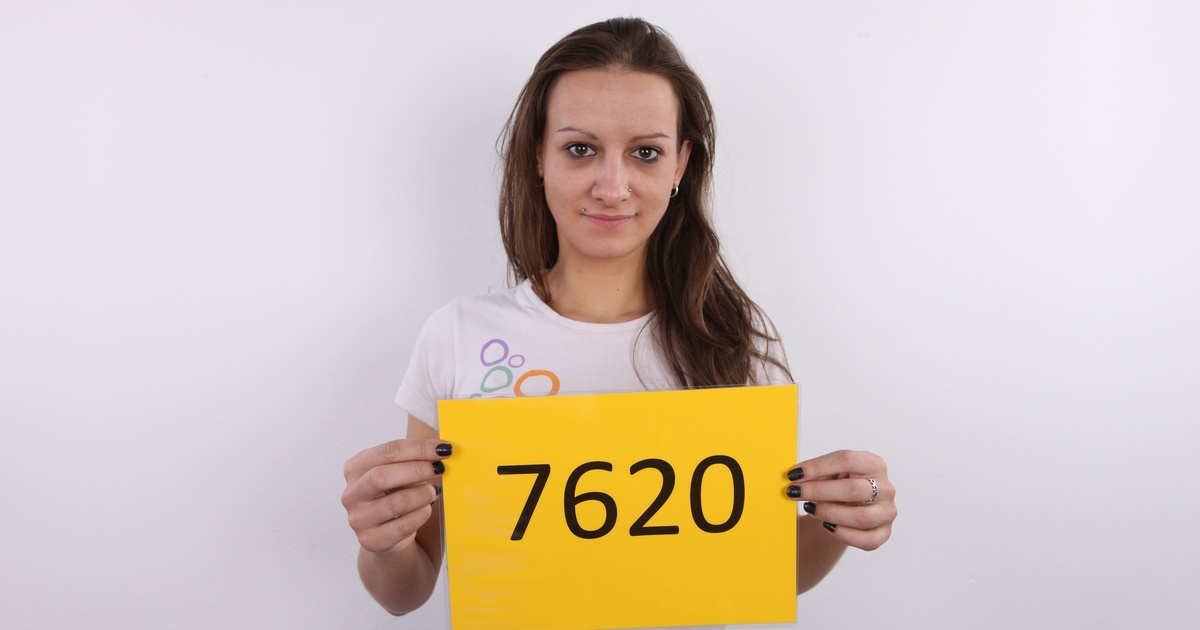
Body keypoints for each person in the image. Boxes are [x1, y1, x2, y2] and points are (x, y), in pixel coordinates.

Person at [341, 17, 898, 618]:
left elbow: (766, 569)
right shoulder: (457, 336)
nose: (612, 187)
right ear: (538, 155)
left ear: (680, 165)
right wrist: (384, 542)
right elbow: (407, 591)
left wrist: (844, 518)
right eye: (580, 149)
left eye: (646, 153)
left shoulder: (733, 338)